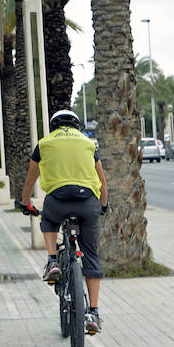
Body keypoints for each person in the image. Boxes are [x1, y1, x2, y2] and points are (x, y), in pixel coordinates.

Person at [21, 110, 109, 333]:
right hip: (87, 202)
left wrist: (26, 204)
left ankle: (52, 260)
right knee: (90, 255)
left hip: (58, 202)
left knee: (49, 221)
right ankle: (94, 313)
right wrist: (103, 206)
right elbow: (102, 182)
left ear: (53, 126)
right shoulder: (88, 143)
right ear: (77, 125)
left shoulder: (44, 143)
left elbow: (31, 179)